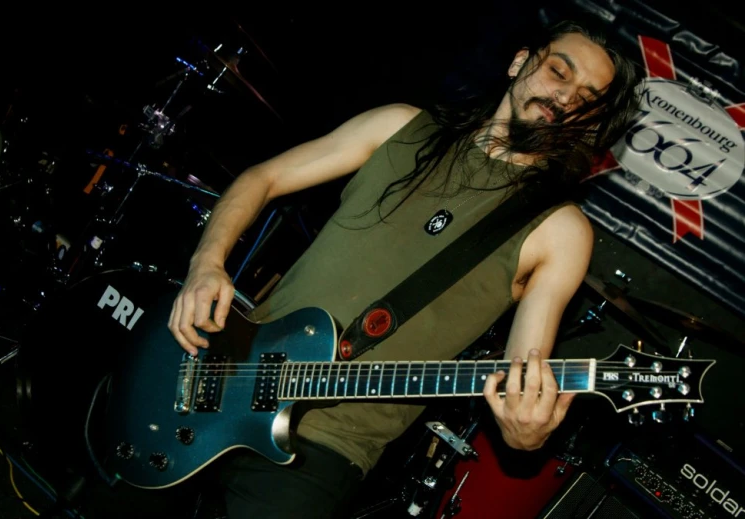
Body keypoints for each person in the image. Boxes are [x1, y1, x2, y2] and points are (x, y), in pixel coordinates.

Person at [169, 17, 642, 519]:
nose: (566, 99)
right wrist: (206, 264)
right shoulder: (399, 126)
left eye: (588, 98)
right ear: (519, 61)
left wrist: (524, 431)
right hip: (215, 373)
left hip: (321, 454)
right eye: (558, 72)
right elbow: (263, 178)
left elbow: (522, 371)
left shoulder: (560, 231)